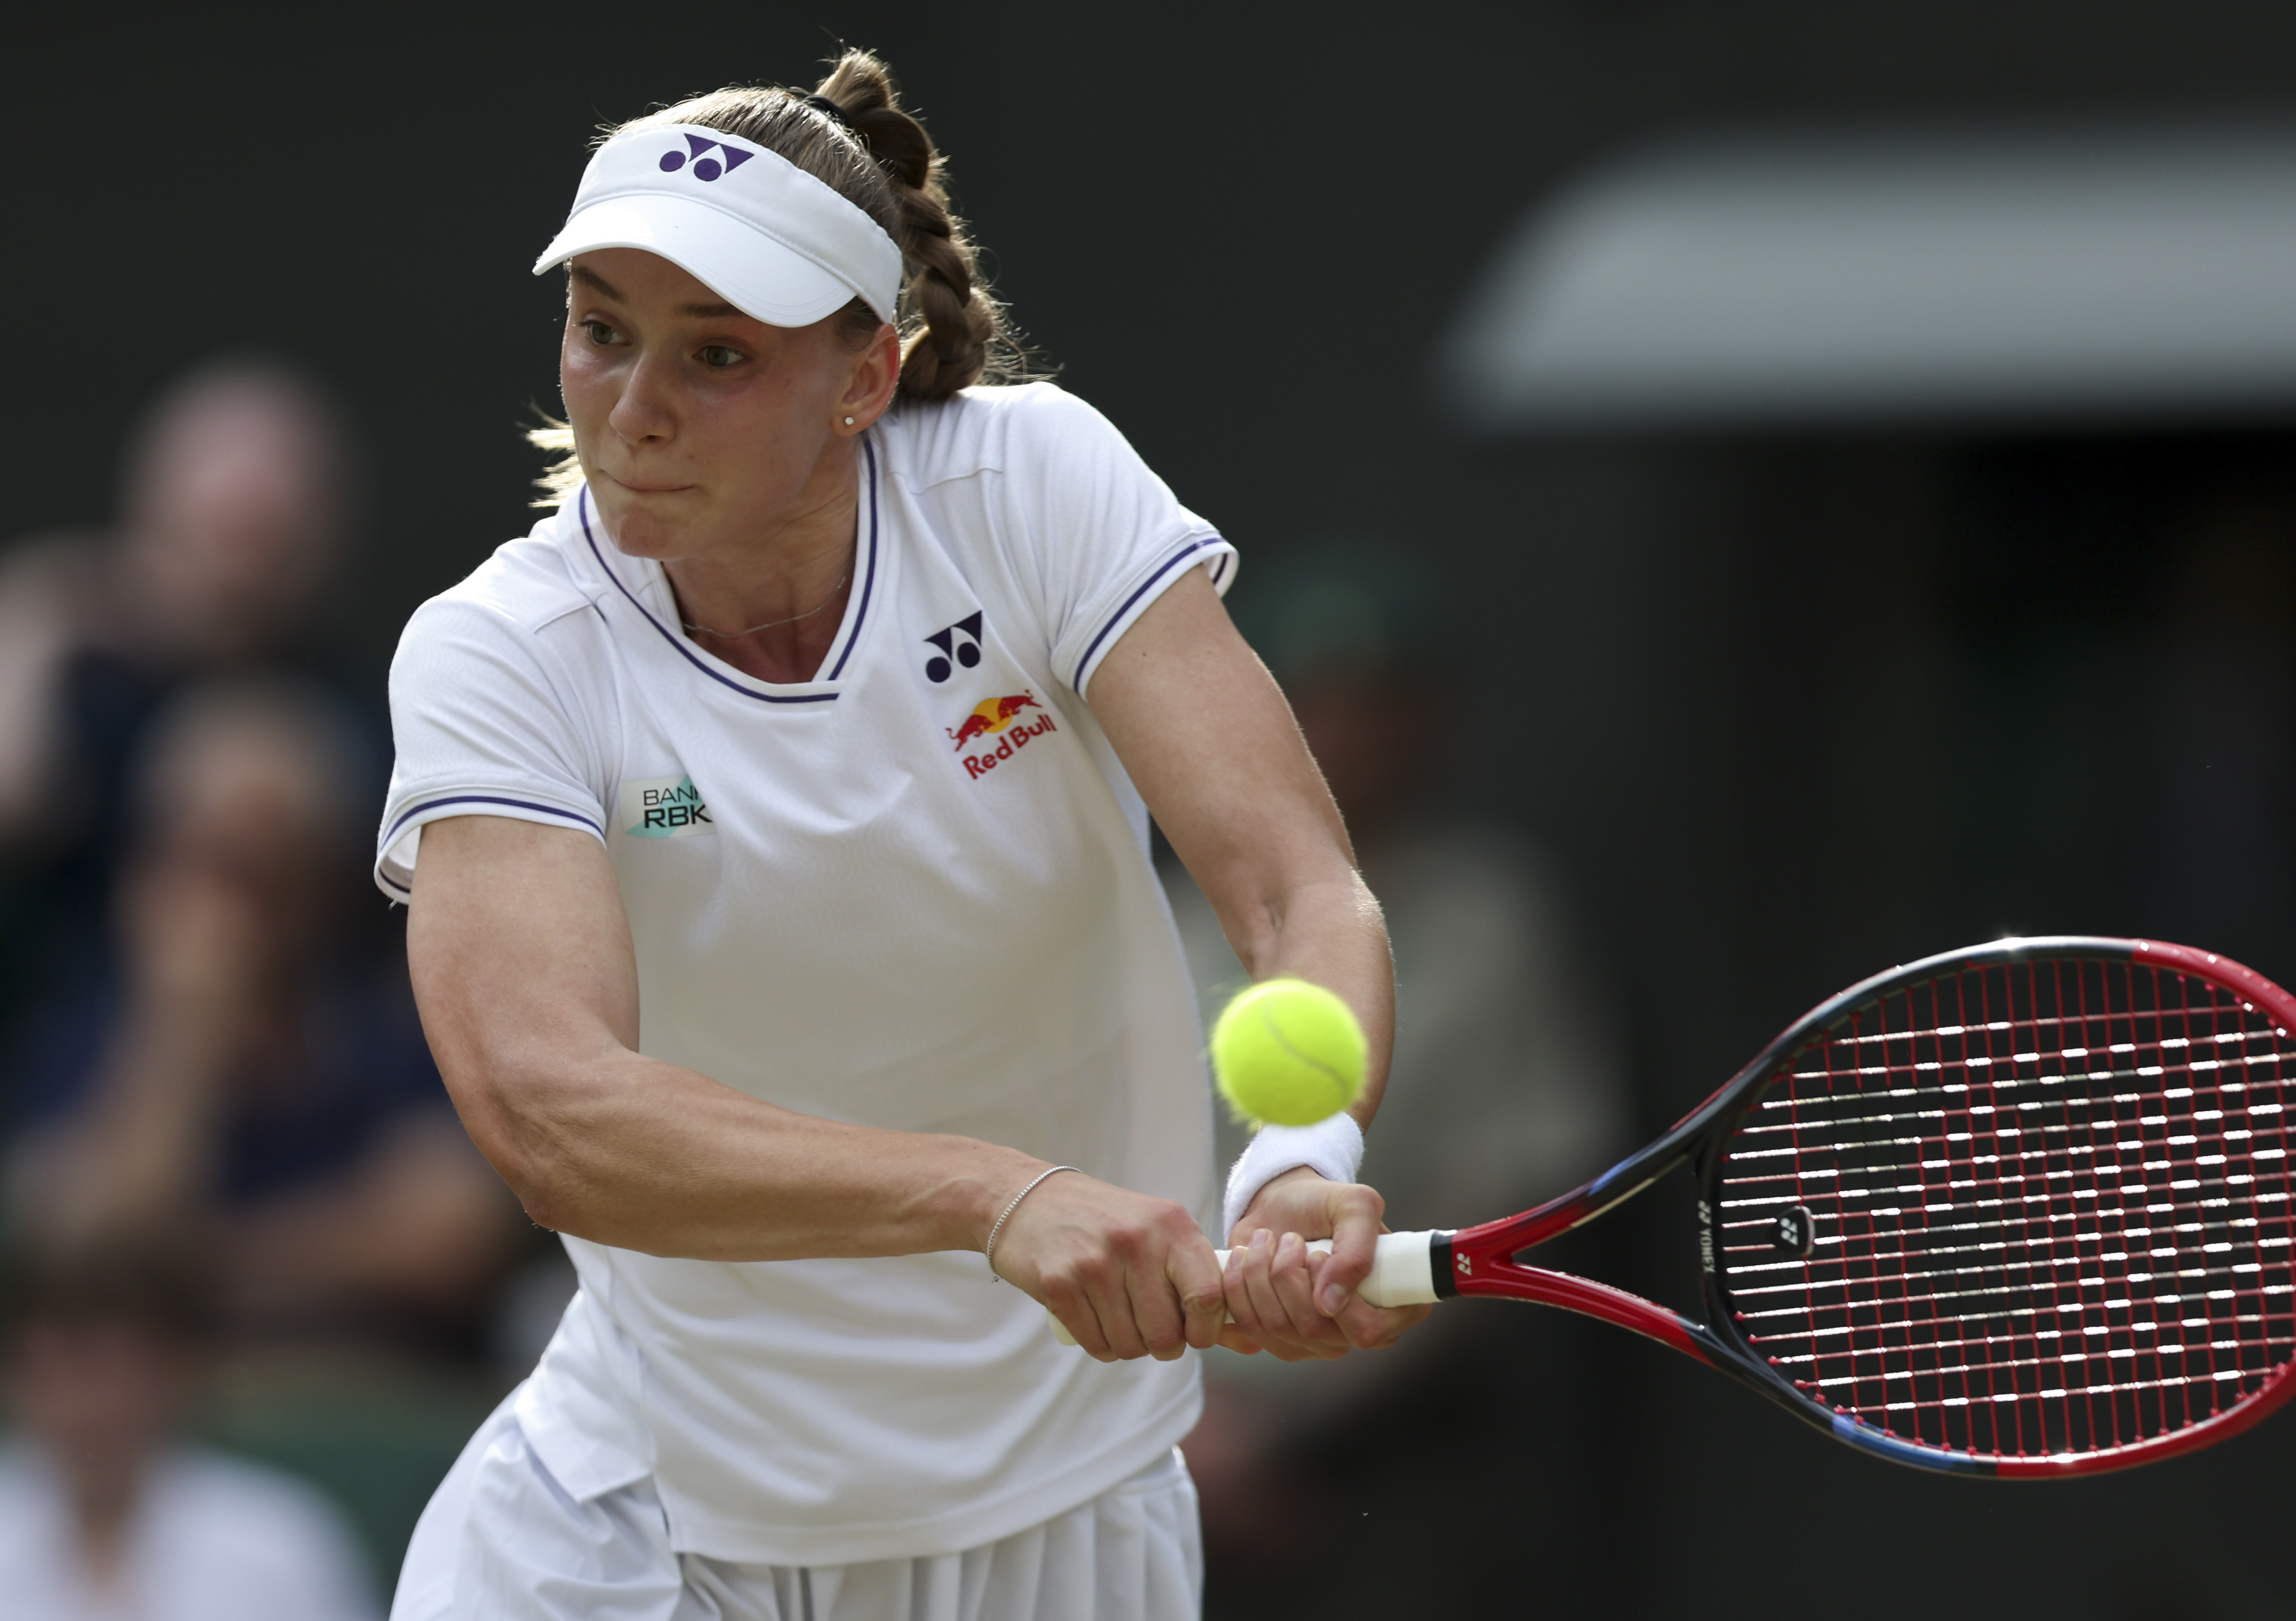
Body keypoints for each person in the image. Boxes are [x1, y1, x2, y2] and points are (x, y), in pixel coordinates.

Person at [378, 50, 1424, 1621]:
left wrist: (1296, 1158)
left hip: (1066, 1514)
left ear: (863, 377)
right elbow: (553, 1112)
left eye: (716, 354)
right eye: (601, 330)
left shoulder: (1030, 484)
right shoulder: (501, 650)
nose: (634, 409)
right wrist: (990, 1195)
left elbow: (1297, 887)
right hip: (642, 1523)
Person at [1160, 543, 1631, 1578]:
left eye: (1377, 700)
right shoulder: (1153, 923)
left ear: (1430, 719)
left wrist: (1292, 1434)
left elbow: (1509, 1188)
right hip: (1156, 1439)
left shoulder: (1495, 917)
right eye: (1313, 699)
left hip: (1392, 1459)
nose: (1344, 732)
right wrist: (1188, 1424)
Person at [6, 681, 522, 1355]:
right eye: (214, 863)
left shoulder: (382, 1029)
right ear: (147, 871)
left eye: (270, 870)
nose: (242, 915)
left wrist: (199, 1265)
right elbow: (88, 1256)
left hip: (358, 1383)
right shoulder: (80, 1035)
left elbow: (450, 1233)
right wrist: (180, 1037)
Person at [0, 1230, 377, 1621]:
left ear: (174, 1370)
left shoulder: (284, 1544)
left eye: (112, 1370)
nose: (88, 1406)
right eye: (59, 1370)